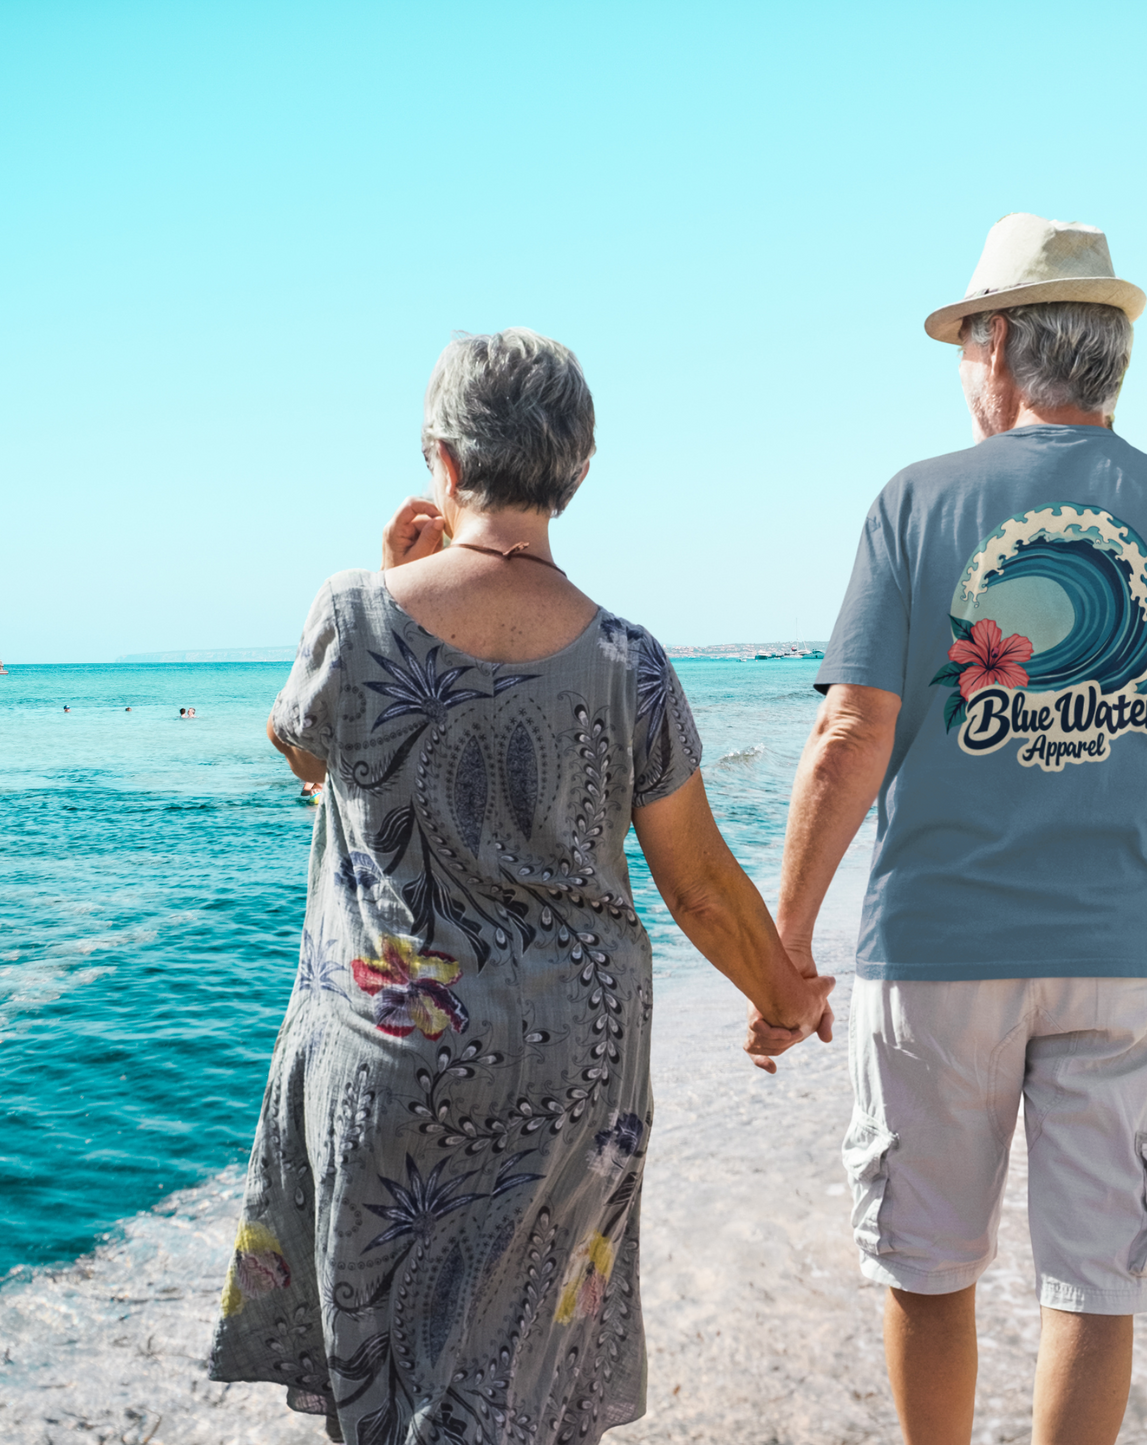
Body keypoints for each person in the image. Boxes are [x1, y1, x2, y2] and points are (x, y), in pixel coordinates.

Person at [749, 213, 1147, 1445]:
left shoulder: (913, 501)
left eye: (962, 343)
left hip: (935, 954)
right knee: (1093, 1281)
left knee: (926, 1267)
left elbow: (847, 735)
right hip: (1131, 956)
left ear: (995, 344)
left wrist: (785, 945)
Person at [209, 329, 832, 1443]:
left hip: (391, 1047)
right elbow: (695, 884)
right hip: (570, 1059)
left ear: (441, 463)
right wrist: (783, 996)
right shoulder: (628, 661)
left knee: (392, 1376)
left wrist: (391, 570)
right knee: (527, 1375)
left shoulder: (353, 612)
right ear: (578, 470)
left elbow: (300, 747)